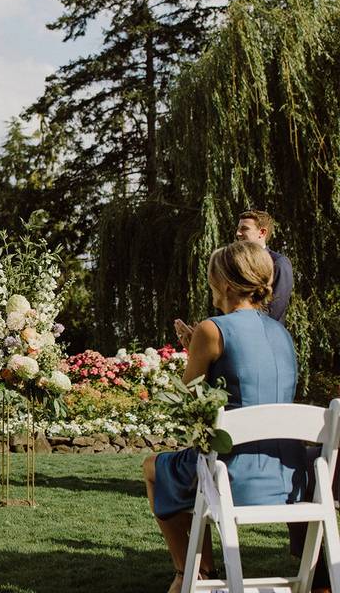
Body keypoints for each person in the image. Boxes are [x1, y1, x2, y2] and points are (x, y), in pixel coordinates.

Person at [143, 240, 305, 593]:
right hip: (293, 478)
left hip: (232, 475)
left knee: (153, 467)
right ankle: (200, 570)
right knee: (187, 465)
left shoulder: (211, 329)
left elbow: (187, 398)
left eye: (212, 277)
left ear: (227, 284)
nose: (209, 284)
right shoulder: (282, 333)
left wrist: (194, 351)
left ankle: (191, 572)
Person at [175, 209, 293, 344]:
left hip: (267, 343)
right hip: (233, 340)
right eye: (238, 229)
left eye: (244, 229)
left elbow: (273, 311)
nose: (238, 233)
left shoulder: (279, 263)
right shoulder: (234, 264)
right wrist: (211, 336)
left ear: (262, 232)